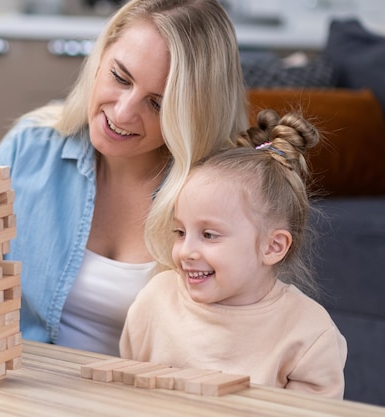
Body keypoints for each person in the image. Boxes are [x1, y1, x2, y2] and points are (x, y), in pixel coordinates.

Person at [0, 0, 248, 356]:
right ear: (99, 58)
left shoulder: (221, 192)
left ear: (193, 113)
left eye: (157, 103)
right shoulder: (31, 148)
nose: (122, 113)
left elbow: (242, 340)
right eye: (120, 78)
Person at [120, 109, 348, 398]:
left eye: (209, 235)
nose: (186, 250)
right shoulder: (155, 300)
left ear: (272, 247)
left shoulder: (309, 332)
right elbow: (127, 395)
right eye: (180, 232)